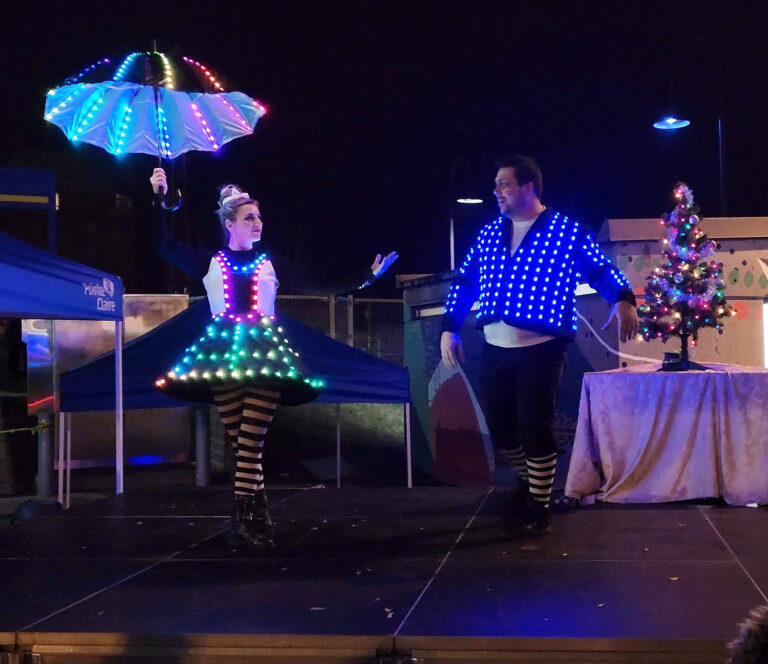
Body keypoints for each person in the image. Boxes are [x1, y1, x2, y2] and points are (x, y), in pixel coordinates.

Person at [149, 168, 398, 549]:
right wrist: (160, 198)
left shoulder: (271, 262)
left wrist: (365, 277)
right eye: (250, 217)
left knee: (250, 441)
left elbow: (318, 283)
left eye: (259, 216)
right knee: (242, 442)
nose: (258, 222)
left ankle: (245, 517)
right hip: (221, 354)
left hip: (264, 352)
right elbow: (163, 244)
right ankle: (256, 512)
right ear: (230, 224)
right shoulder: (210, 261)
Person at [440, 155, 637, 536]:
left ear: (529, 186)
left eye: (504, 183)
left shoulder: (565, 231)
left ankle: (538, 506)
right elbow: (465, 283)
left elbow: (600, 269)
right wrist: (450, 327)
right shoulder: (489, 234)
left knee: (535, 428)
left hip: (542, 349)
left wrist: (623, 298)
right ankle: (530, 483)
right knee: (501, 429)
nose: (496, 191)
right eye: (496, 184)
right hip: (494, 346)